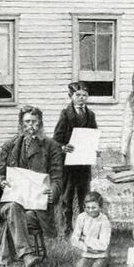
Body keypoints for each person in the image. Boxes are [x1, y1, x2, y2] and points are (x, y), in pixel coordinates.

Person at [0, 106, 63, 267]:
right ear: (21, 124)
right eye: (27, 121)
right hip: (10, 202)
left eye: (34, 122)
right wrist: (0, 182)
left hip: (36, 207)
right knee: (13, 208)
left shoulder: (51, 146)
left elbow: (57, 178)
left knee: (16, 216)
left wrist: (53, 192)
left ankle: (4, 260)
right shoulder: (10, 145)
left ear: (40, 123)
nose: (31, 125)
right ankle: (27, 255)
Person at [53, 81, 98, 237]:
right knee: (67, 197)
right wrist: (63, 147)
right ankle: (66, 229)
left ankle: (85, 228)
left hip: (84, 163)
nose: (81, 98)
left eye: (84, 95)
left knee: (85, 196)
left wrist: (94, 149)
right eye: (78, 95)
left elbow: (93, 135)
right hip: (68, 164)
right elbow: (56, 140)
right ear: (70, 96)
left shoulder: (90, 115)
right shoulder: (65, 114)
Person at [69, 191, 111, 267]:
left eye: (94, 207)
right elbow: (74, 238)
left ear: (100, 207)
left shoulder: (104, 221)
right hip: (86, 253)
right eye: (88, 207)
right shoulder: (81, 217)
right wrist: (84, 247)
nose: (90, 210)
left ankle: (104, 266)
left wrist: (85, 239)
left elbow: (103, 245)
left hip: (100, 255)